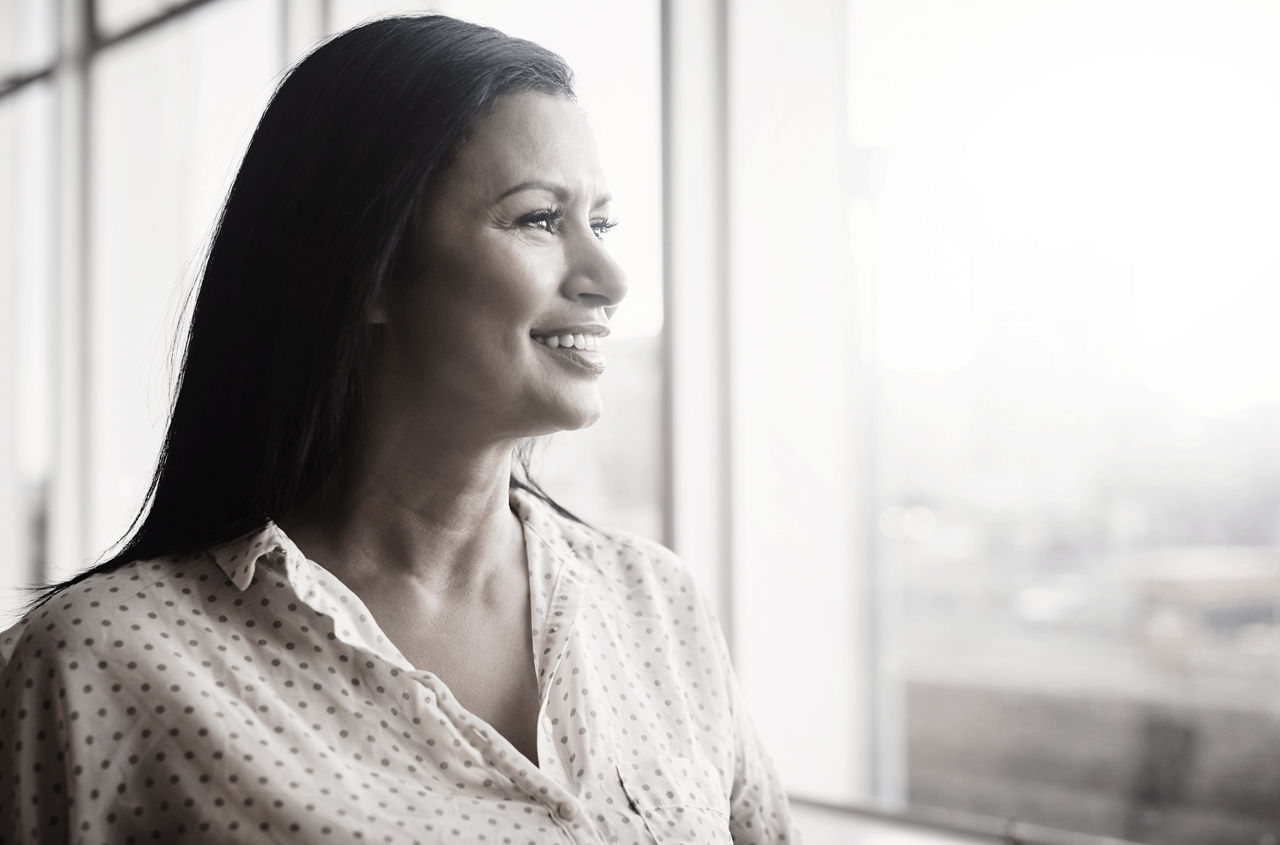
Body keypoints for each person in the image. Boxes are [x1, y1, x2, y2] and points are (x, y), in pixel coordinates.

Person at [0, 14, 797, 844]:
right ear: (369, 269)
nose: (608, 277)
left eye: (602, 223)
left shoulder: (656, 605)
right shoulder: (98, 663)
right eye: (537, 219)